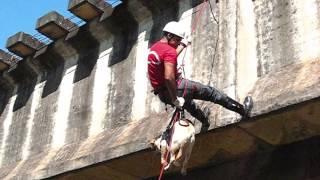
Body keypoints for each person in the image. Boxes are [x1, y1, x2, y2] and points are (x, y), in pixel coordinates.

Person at [147, 21, 253, 130]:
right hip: (177, 88)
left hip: (163, 95)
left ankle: (205, 122)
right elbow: (169, 77)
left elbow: (168, 57)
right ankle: (243, 110)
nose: (178, 43)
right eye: (177, 40)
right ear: (169, 35)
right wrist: (175, 99)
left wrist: (183, 45)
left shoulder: (154, 48)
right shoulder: (169, 50)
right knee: (212, 93)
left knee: (188, 104)